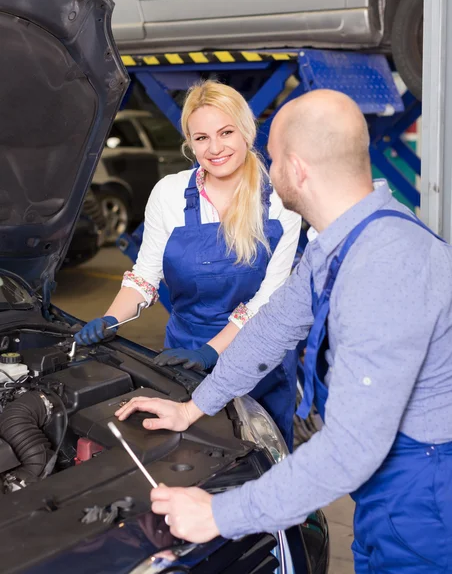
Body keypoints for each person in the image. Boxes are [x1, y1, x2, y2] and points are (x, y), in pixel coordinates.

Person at [115, 89, 452, 573]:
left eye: (270, 159)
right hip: (388, 491)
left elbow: (349, 449)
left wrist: (219, 514)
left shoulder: (385, 265)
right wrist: (192, 407)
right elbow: (271, 329)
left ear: (296, 170)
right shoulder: (340, 244)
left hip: (426, 494)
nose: (264, 170)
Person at [75, 80, 301, 448]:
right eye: (201, 138)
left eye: (226, 133)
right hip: (185, 354)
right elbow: (146, 276)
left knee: (262, 458)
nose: (214, 148)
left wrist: (212, 352)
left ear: (246, 131)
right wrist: (111, 319)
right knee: (191, 460)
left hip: (258, 357)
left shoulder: (279, 198)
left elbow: (270, 300)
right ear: (189, 142)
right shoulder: (170, 194)